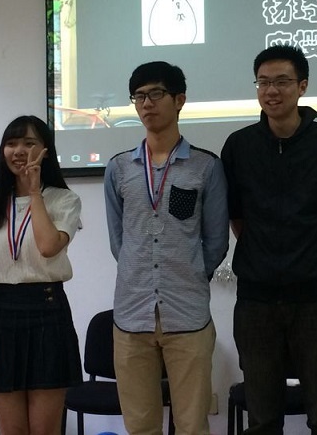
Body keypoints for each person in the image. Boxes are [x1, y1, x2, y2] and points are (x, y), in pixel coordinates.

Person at [220, 44, 317, 435]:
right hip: (256, 301)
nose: (272, 91)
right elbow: (238, 218)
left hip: (316, 299)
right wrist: (268, 255)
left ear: (302, 86)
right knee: (262, 418)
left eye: (282, 81)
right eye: (263, 82)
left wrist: (309, 255)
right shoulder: (239, 146)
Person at [105, 61, 229, 435]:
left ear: (179, 100)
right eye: (139, 96)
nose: (147, 103)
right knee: (140, 425)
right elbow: (118, 241)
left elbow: (216, 241)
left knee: (191, 425)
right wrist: (139, 270)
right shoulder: (119, 168)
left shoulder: (206, 167)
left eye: (156, 93)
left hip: (187, 314)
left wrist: (189, 274)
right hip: (132, 315)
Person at [0, 115, 83, 435]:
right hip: (0, 314)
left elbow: (48, 247)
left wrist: (34, 193)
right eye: (11, 143)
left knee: (45, 430)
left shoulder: (64, 199)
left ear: (45, 151)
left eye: (29, 143)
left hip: (48, 310)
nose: (19, 150)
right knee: (12, 430)